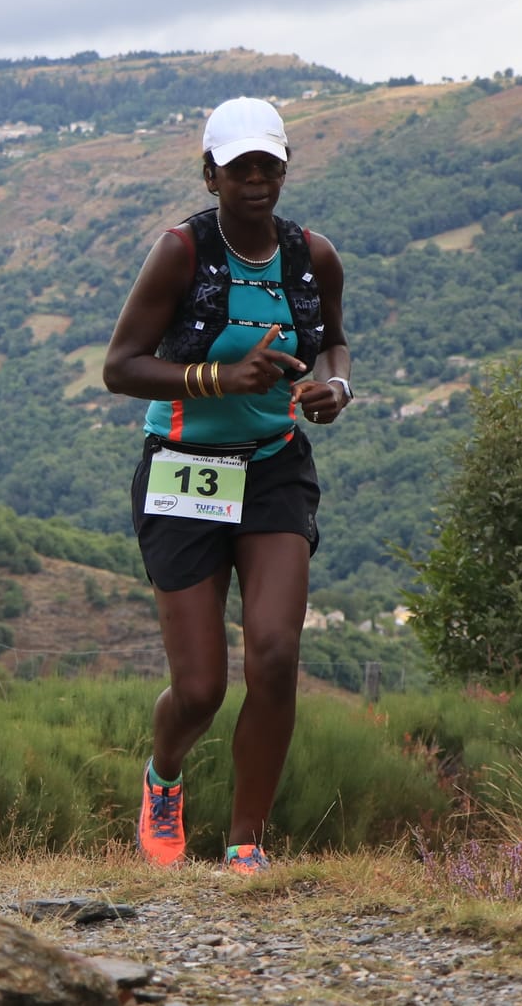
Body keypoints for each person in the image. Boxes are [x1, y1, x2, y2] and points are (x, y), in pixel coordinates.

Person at [102, 95, 352, 874]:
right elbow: (120, 367)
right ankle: (164, 776)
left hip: (274, 466)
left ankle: (247, 842)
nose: (255, 181)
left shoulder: (312, 257)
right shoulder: (181, 253)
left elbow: (334, 343)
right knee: (201, 689)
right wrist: (217, 377)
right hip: (184, 467)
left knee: (275, 654)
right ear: (209, 174)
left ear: (285, 169)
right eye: (239, 168)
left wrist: (336, 388)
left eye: (268, 166)